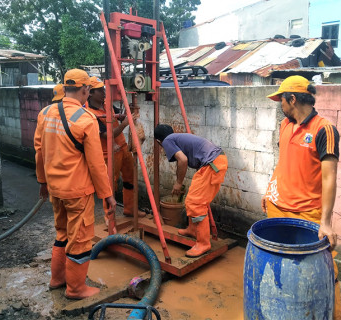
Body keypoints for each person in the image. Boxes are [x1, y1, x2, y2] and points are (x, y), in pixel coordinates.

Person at [261, 75, 341, 319]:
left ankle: (332, 315)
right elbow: (283, 162)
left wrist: (326, 222)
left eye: (281, 101)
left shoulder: (324, 129)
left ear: (292, 99)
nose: (280, 105)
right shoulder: (285, 125)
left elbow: (330, 178)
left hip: (307, 215)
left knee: (325, 269)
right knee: (280, 269)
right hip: (277, 208)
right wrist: (269, 190)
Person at [34, 69, 116, 300]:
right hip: (77, 191)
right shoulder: (85, 118)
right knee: (79, 240)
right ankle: (76, 289)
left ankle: (57, 279)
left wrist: (42, 182)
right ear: (84, 89)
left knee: (62, 234)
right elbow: (96, 163)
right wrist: (107, 195)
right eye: (89, 89)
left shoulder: (45, 113)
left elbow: (39, 152)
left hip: (55, 190)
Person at [154, 125, 228, 257]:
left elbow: (183, 160)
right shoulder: (176, 138)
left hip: (212, 165)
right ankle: (193, 230)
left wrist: (178, 183)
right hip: (214, 162)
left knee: (196, 204)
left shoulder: (166, 141)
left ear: (159, 142)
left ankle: (203, 243)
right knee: (191, 200)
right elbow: (180, 162)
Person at [85, 76, 146, 221]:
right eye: (100, 90)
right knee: (110, 186)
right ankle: (109, 217)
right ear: (91, 93)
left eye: (103, 88)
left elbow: (119, 116)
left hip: (123, 148)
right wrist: (124, 124)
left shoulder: (107, 104)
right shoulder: (90, 114)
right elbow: (107, 135)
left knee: (130, 179)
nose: (104, 91)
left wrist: (129, 113)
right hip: (108, 154)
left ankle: (130, 209)